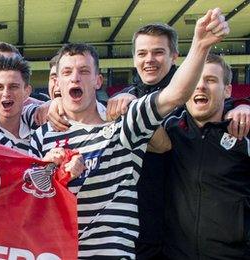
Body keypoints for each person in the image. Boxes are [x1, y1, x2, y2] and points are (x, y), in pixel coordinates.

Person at [30, 8, 228, 258]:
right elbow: (26, 202)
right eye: (67, 72)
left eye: (84, 71)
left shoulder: (123, 125)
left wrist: (200, 45)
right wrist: (48, 169)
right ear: (56, 82)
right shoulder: (41, 138)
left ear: (98, 81)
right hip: (57, 253)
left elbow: (175, 94)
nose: (75, 79)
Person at [148, 54, 250, 259]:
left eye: (211, 80)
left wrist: (244, 105)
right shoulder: (169, 131)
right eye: (194, 80)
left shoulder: (243, 133)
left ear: (227, 90)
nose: (200, 86)